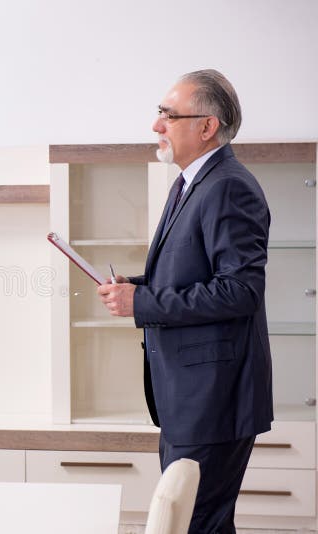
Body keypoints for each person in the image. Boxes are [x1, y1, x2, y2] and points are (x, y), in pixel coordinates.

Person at [97, 69, 273, 533]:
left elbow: (240, 290)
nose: (157, 125)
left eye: (168, 115)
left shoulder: (228, 186)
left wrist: (143, 303)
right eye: (159, 113)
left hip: (213, 400)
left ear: (206, 126)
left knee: (196, 525)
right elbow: (194, 272)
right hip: (190, 398)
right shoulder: (190, 183)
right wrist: (134, 286)